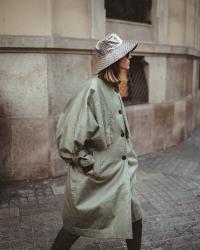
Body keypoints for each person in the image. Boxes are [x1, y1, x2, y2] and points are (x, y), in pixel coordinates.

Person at [51, 33, 143, 250]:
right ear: (114, 59)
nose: (130, 56)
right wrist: (87, 164)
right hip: (99, 176)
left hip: (120, 173)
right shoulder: (92, 89)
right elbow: (69, 131)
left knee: (135, 216)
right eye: (125, 54)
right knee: (75, 225)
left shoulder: (113, 88)